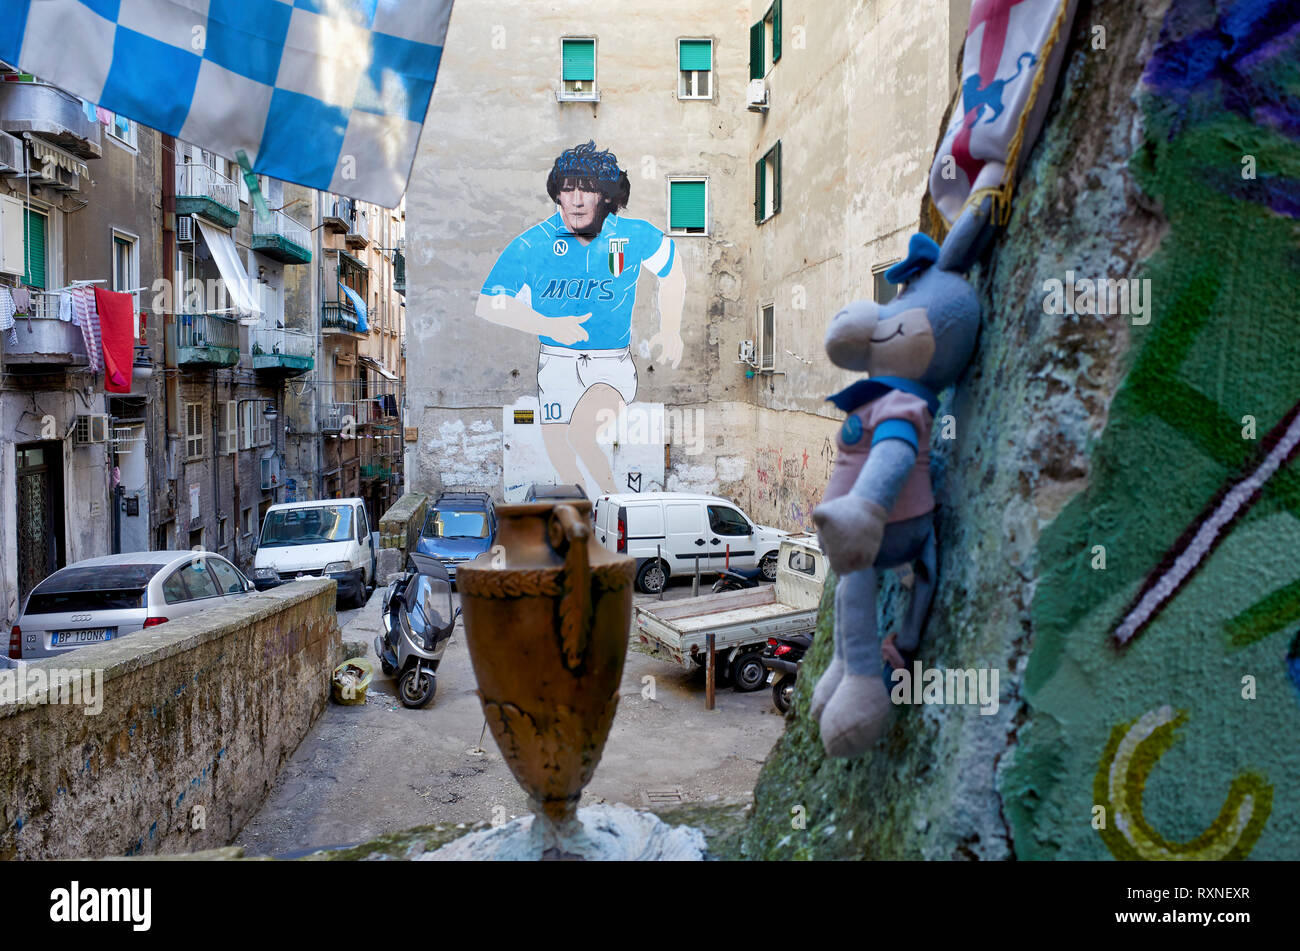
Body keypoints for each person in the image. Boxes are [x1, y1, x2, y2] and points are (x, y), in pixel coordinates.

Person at [476, 141, 685, 492]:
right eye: (568, 188)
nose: (575, 199)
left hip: (610, 363)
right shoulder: (533, 244)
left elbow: (672, 269)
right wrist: (548, 325)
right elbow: (489, 303)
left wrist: (671, 330)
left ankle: (615, 510)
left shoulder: (632, 234)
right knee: (558, 447)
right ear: (557, 194)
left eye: (586, 189)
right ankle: (584, 513)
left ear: (604, 196)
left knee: (581, 435)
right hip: (555, 362)